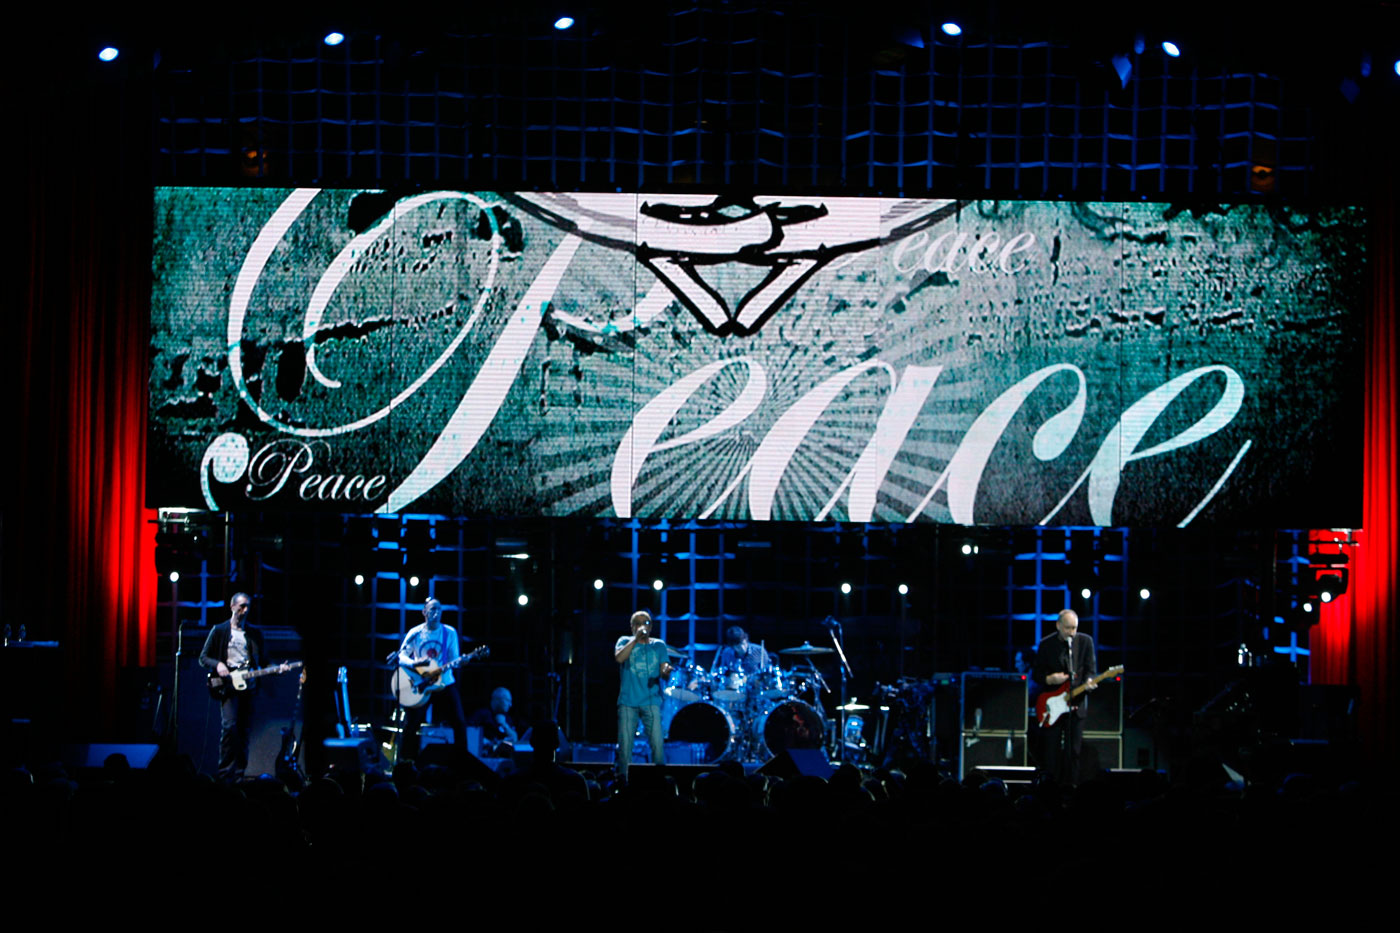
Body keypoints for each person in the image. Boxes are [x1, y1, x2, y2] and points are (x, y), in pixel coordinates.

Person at [199, 592, 281, 783]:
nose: (245, 610)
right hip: (228, 687)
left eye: (247, 607)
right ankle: (225, 773)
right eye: (242, 606)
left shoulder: (254, 634)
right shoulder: (220, 630)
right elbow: (203, 657)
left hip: (248, 686)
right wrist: (219, 664)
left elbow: (264, 661)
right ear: (232, 606)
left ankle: (239, 774)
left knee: (244, 730)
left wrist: (276, 669)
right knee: (230, 727)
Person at [396, 597, 469, 766]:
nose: (436, 613)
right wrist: (414, 663)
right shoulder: (415, 633)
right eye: (432, 609)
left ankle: (462, 763)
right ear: (424, 612)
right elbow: (401, 656)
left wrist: (461, 661)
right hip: (422, 683)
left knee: (459, 722)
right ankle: (406, 764)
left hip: (445, 683)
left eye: (439, 609)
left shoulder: (449, 632)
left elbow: (454, 659)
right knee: (411, 725)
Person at [1031, 608, 1097, 786]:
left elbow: (1090, 670)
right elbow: (1036, 674)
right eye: (1068, 628)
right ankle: (1050, 788)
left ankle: (1072, 788)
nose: (1071, 632)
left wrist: (1089, 682)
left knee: (1073, 752)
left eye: (1074, 628)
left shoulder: (1085, 642)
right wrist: (1049, 679)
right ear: (1058, 625)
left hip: (1076, 703)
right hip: (1053, 704)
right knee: (1051, 752)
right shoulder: (1046, 644)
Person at [614, 610, 672, 780]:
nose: (642, 626)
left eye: (645, 623)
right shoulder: (624, 641)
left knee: (657, 745)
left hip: (651, 701)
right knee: (625, 747)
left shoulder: (659, 645)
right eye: (637, 623)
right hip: (628, 702)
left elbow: (664, 671)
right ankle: (623, 782)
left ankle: (660, 782)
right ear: (632, 627)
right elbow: (619, 658)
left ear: (651, 626)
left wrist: (666, 671)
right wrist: (636, 639)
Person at [468, 686, 520, 756]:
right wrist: (489, 742)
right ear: (497, 700)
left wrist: (504, 724)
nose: (510, 705)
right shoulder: (481, 715)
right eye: (508, 700)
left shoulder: (507, 719)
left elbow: (515, 739)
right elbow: (470, 735)